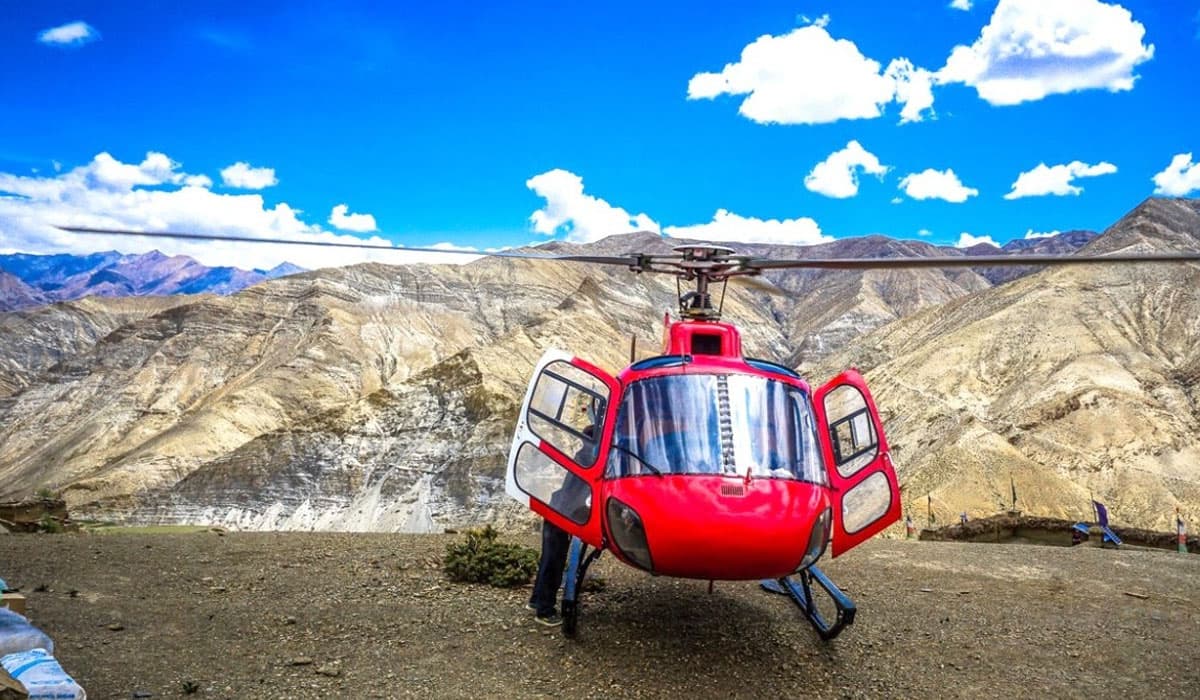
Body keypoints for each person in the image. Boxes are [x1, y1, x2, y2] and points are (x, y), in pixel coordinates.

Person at [527, 426, 596, 626]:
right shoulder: (589, 460)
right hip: (561, 516)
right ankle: (545, 611)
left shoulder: (582, 457)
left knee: (548, 559)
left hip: (554, 509)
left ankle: (536, 600)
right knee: (554, 563)